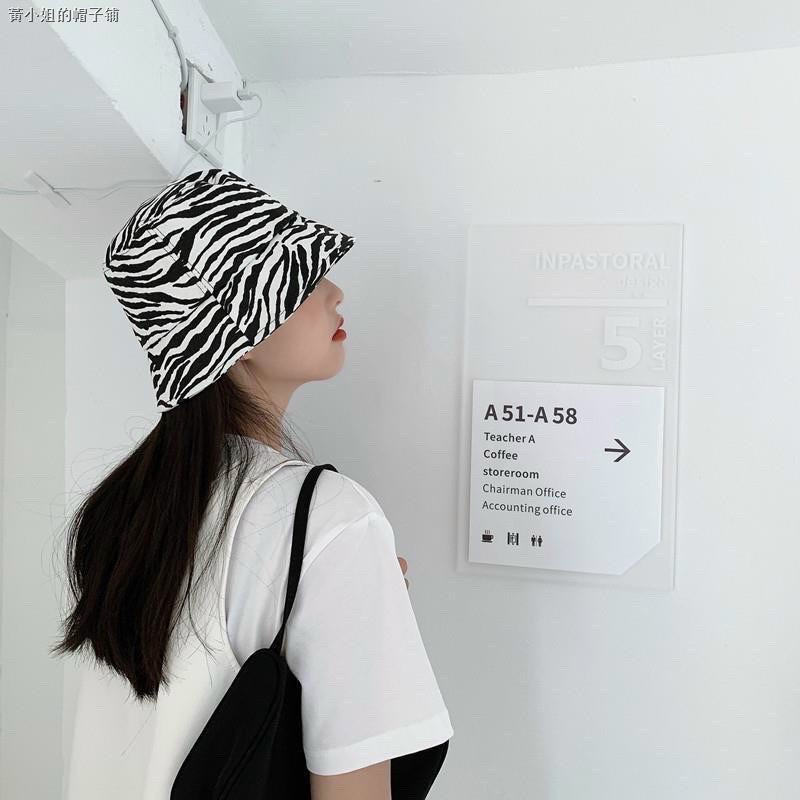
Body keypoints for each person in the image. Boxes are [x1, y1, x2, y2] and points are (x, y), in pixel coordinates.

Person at [51, 168, 453, 799]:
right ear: (232, 330)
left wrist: (351, 590)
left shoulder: (120, 513)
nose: (336, 292)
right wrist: (349, 577)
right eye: (303, 280)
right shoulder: (326, 515)